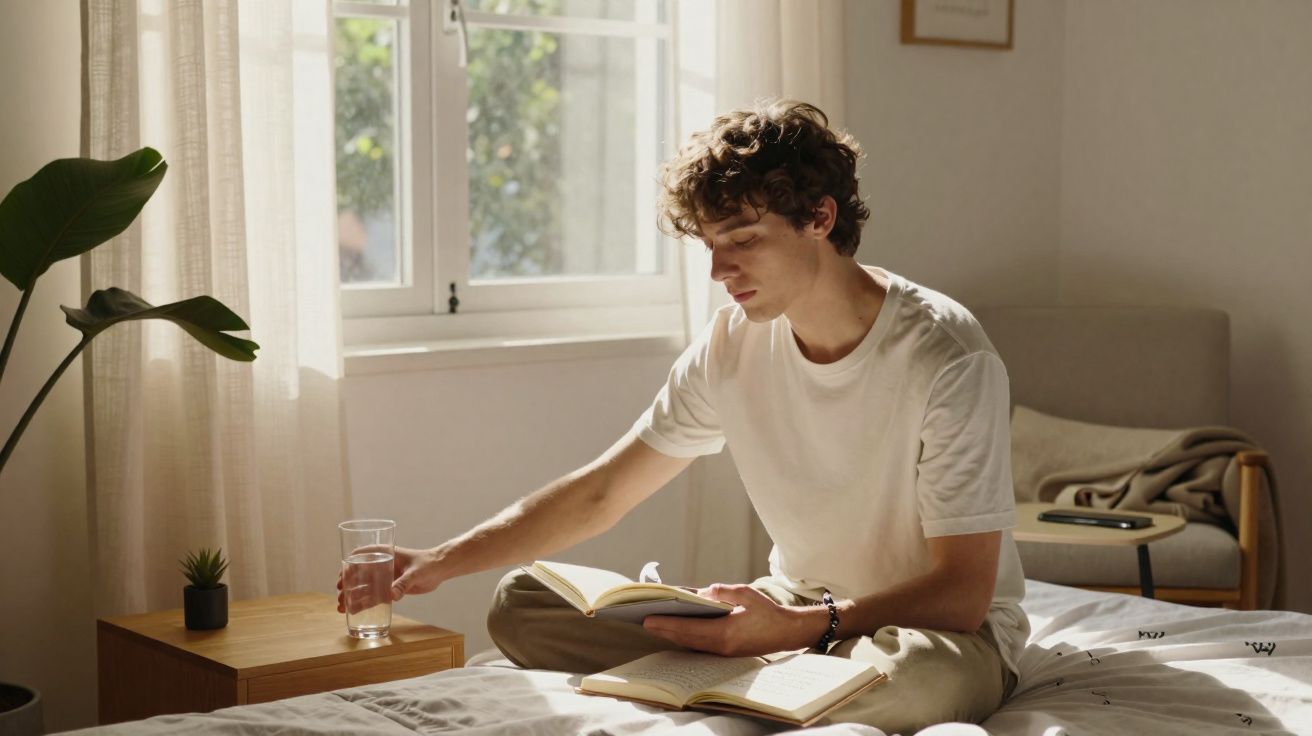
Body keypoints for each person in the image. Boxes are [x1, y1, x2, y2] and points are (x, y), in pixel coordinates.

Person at [338, 99, 1028, 733]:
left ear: (819, 219)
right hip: (791, 604)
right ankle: (777, 680)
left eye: (744, 239)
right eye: (709, 245)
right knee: (522, 604)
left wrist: (791, 628)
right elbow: (605, 490)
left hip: (928, 635)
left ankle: (771, 674)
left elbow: (963, 594)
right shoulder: (733, 343)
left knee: (919, 683)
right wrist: (437, 561)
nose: (718, 271)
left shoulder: (945, 353)